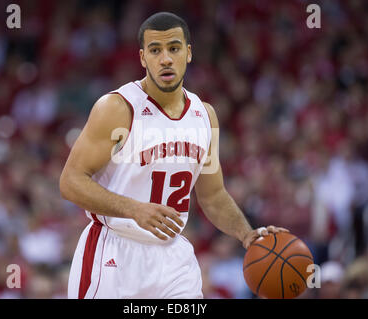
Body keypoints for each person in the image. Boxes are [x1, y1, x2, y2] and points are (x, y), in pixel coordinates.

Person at [59, 12, 288, 299]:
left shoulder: (205, 115)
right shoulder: (117, 108)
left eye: (174, 48)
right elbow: (70, 182)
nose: (165, 58)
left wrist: (246, 234)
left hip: (173, 259)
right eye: (155, 50)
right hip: (115, 252)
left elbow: (213, 196)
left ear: (188, 53)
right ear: (143, 58)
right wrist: (134, 209)